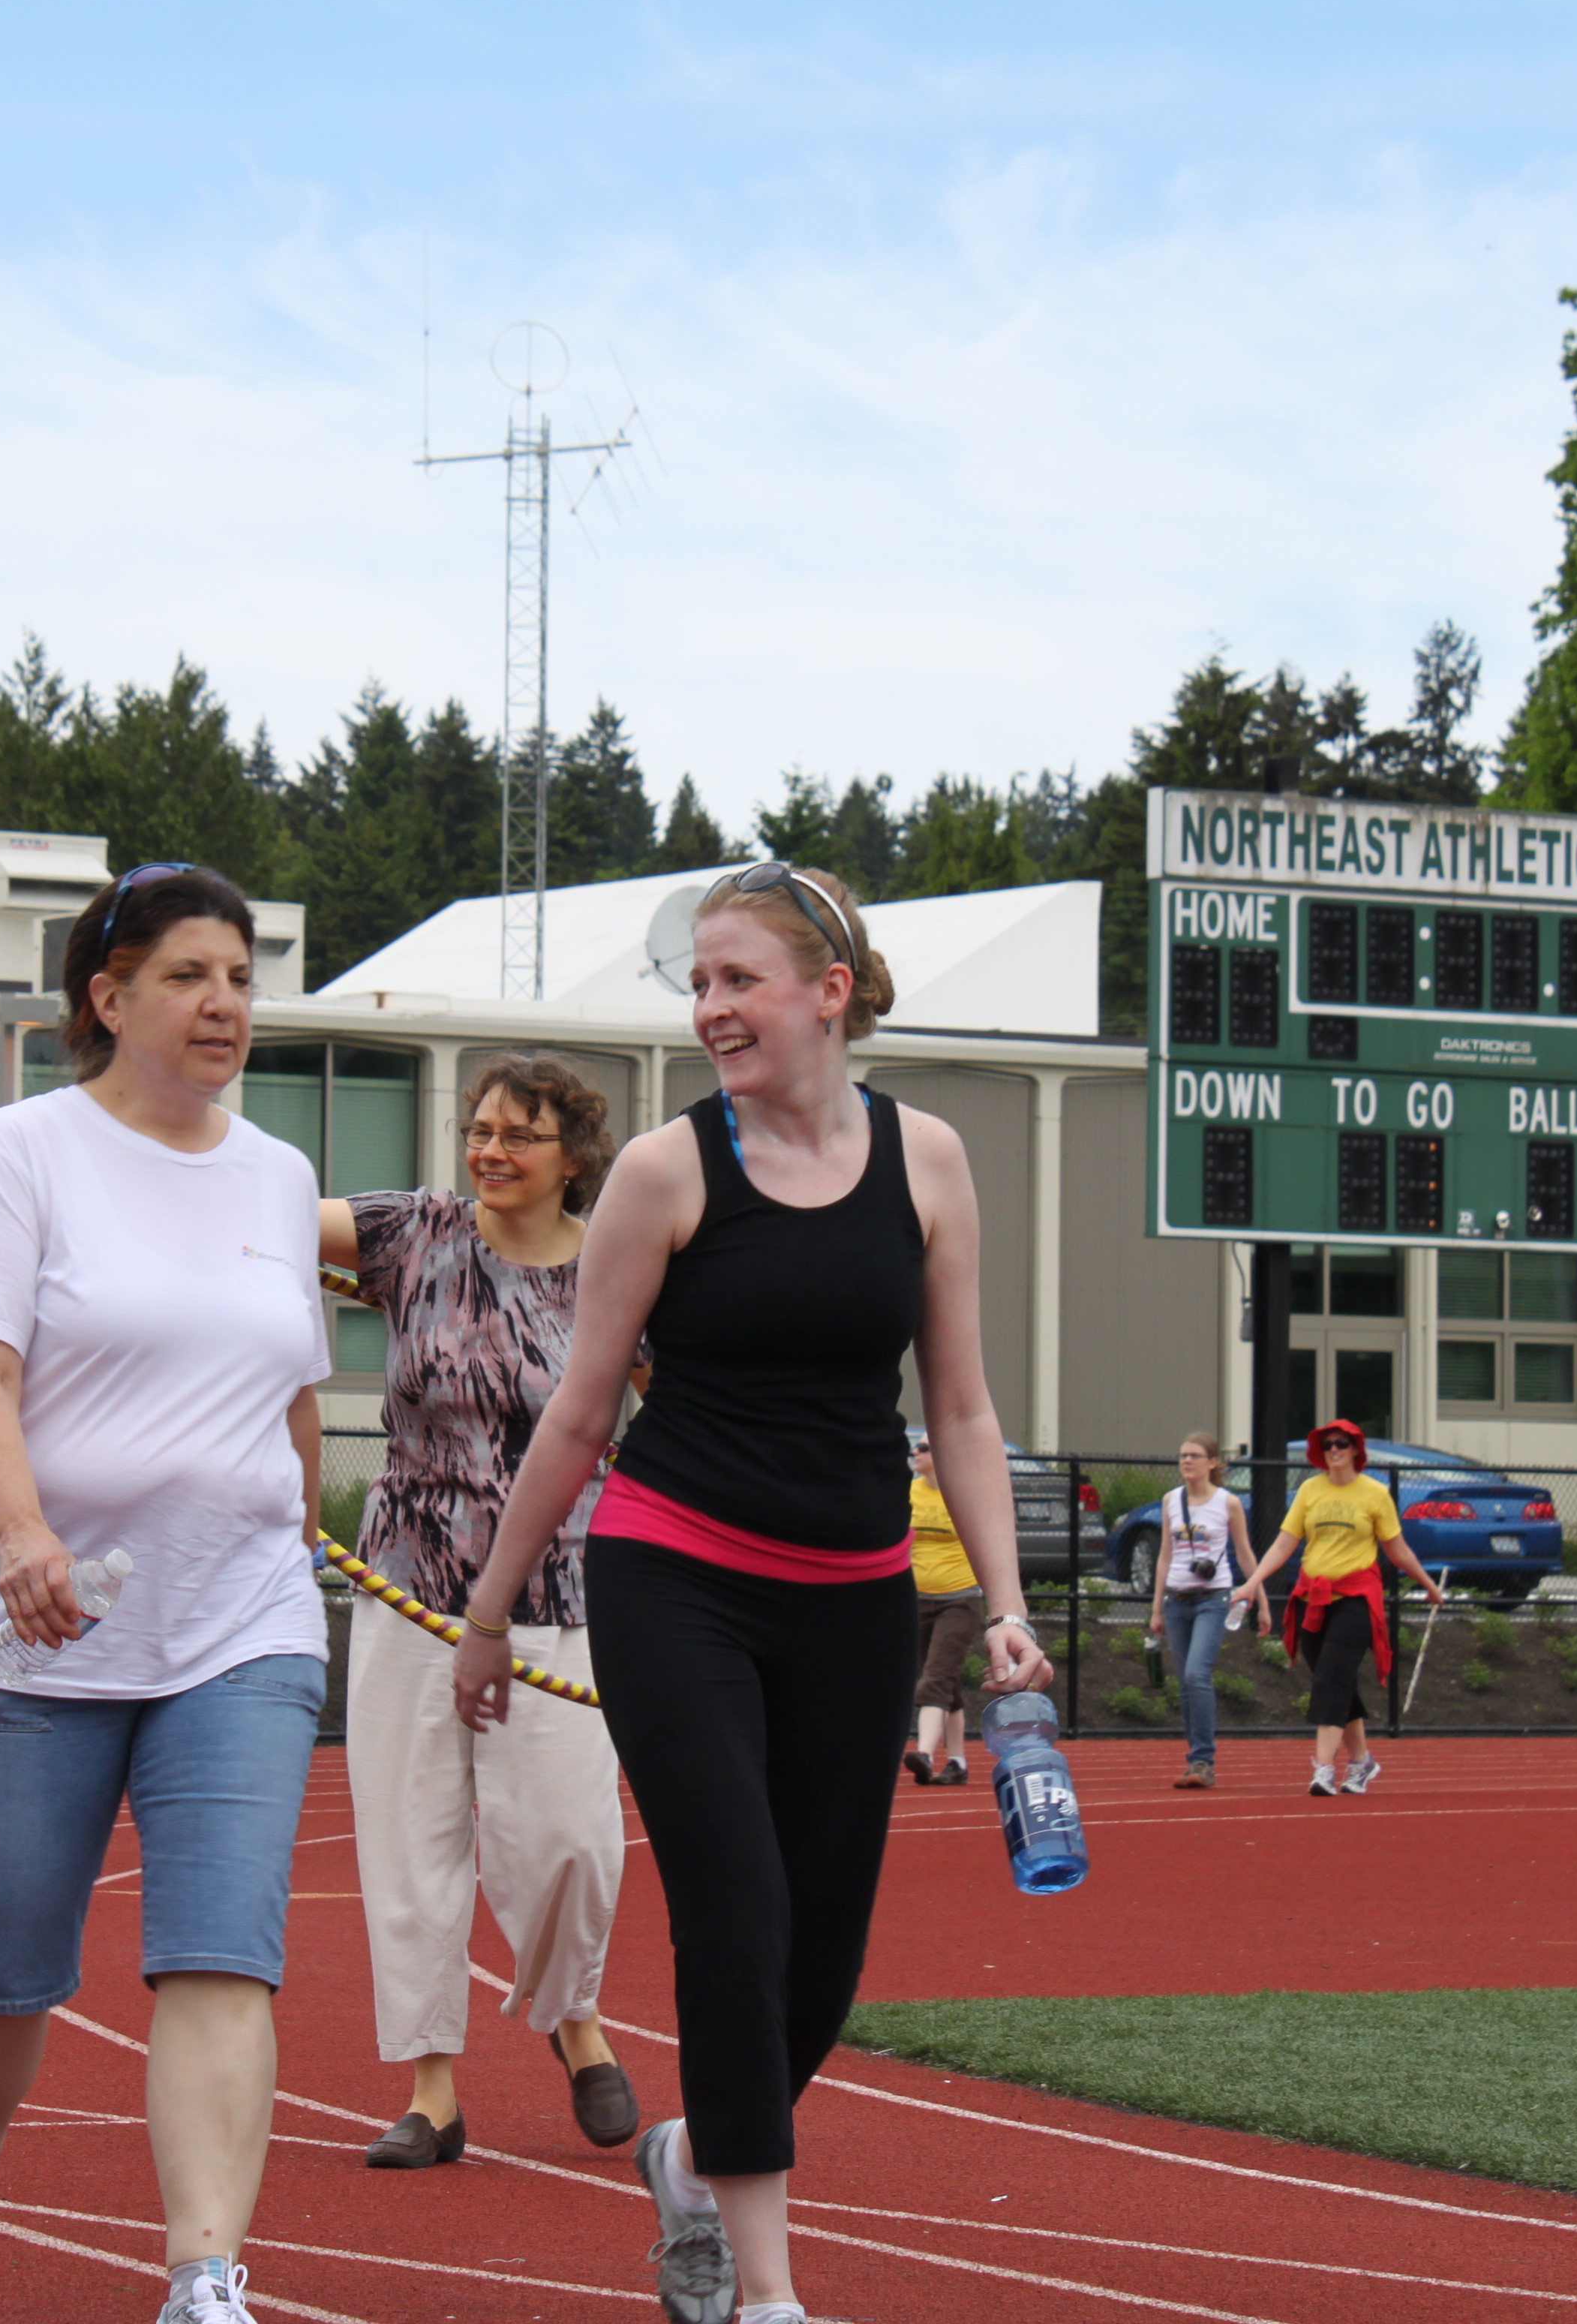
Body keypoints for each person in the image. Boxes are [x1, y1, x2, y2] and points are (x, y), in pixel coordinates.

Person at [447, 861, 1053, 2324]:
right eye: (699, 984)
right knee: (736, 1907)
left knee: (823, 1953)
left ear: (828, 994)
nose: (711, 1010)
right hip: (677, 1574)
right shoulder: (664, 1172)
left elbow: (962, 1412)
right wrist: (487, 1609)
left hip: (854, 1593)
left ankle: (691, 2160)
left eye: (739, 982)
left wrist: (1013, 1604)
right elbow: (582, 1415)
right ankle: (766, 2290)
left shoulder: (930, 1162)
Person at [0, 864, 332, 2324]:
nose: (224, 1006)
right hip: (41, 1627)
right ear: (110, 996)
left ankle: (206, 2277)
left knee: (223, 1952)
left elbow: (293, 1391)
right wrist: (21, 1533)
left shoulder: (275, 1175)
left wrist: (308, 1533)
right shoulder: (25, 1154)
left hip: (242, 1623)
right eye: (191, 976)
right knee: (11, 1966)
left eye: (242, 979)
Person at [319, 1050, 641, 2166]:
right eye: (481, 1129)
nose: (491, 1151)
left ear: (575, 1159)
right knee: (413, 1837)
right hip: (412, 1584)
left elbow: (691, 1408)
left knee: (569, 1840)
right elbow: (247, 1218)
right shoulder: (414, 1233)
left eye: (520, 1135)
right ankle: (432, 2091)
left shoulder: (618, 1266)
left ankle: (574, 2017)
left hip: (564, 1589)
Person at [1232, 1420, 1440, 1798]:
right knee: (1334, 1680)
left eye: (1341, 1443)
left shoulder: (1375, 1494)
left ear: (1356, 1449)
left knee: (1331, 1678)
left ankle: (1323, 1768)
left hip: (1357, 1597)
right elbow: (1283, 1545)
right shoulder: (1310, 1490)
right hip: (1314, 1598)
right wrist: (1251, 1583)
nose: (1333, 1450)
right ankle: (1361, 1761)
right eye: (1327, 1444)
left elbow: (1398, 1550)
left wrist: (1428, 1585)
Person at [1146, 1432, 1255, 1788]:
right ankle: (1196, 1760)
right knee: (1184, 1684)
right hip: (1177, 1599)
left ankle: (1204, 1760)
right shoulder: (1171, 1501)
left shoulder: (1228, 1503)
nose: (1186, 1461)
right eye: (1182, 1455)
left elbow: (1244, 1553)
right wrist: (1156, 1608)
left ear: (1212, 1463)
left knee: (1196, 1675)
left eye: (1194, 1455)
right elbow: (1165, 1555)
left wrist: (1260, 1600)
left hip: (1213, 1598)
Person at [902, 1428, 980, 1785]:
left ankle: (925, 1753)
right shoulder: (908, 1492)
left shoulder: (964, 1494)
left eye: (925, 1448)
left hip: (958, 1599)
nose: (916, 1452)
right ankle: (959, 1764)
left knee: (934, 1679)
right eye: (915, 1447)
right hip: (917, 1599)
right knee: (946, 1684)